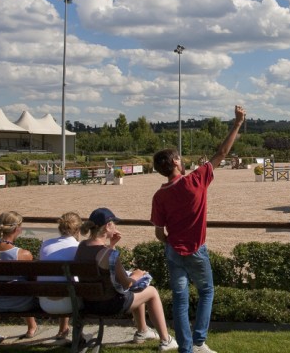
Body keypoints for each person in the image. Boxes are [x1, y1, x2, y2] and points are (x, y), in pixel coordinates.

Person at [151, 104, 246, 353]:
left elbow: (159, 232)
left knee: (180, 300)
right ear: (174, 162)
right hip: (195, 249)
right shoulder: (195, 180)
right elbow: (222, 152)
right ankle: (199, 342)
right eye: (180, 158)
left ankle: (185, 348)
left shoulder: (159, 196)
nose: (183, 162)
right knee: (206, 291)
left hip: (173, 251)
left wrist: (171, 241)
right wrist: (237, 123)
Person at [74, 207, 177, 351]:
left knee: (138, 289)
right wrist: (137, 274)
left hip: (89, 303)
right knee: (151, 291)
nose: (116, 227)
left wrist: (112, 245)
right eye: (114, 223)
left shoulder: (82, 246)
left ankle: (143, 331)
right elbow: (127, 283)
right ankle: (166, 340)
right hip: (110, 304)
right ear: (108, 226)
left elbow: (102, 264)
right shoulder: (108, 254)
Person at [0, 211, 38, 340]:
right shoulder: (24, 254)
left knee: (9, 286)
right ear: (17, 229)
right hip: (22, 304)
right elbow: (32, 281)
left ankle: (31, 326)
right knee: (21, 287)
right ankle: (32, 327)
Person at [38, 212, 81, 341]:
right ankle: (78, 334)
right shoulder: (78, 247)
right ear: (78, 229)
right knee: (71, 285)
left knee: (63, 283)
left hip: (45, 303)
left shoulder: (46, 244)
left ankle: (63, 328)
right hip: (70, 304)